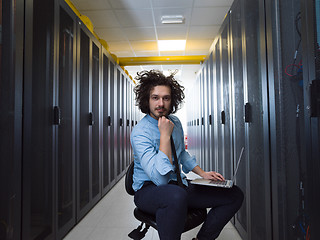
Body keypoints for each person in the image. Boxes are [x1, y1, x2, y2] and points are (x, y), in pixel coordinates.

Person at [130, 70, 244, 240]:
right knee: (175, 196)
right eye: (155, 97)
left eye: (166, 98)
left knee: (234, 195)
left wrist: (202, 173)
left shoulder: (174, 121)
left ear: (172, 100)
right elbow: (160, 181)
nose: (161, 103)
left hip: (178, 186)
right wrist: (164, 136)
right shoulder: (140, 133)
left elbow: (181, 153)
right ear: (147, 100)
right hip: (148, 190)